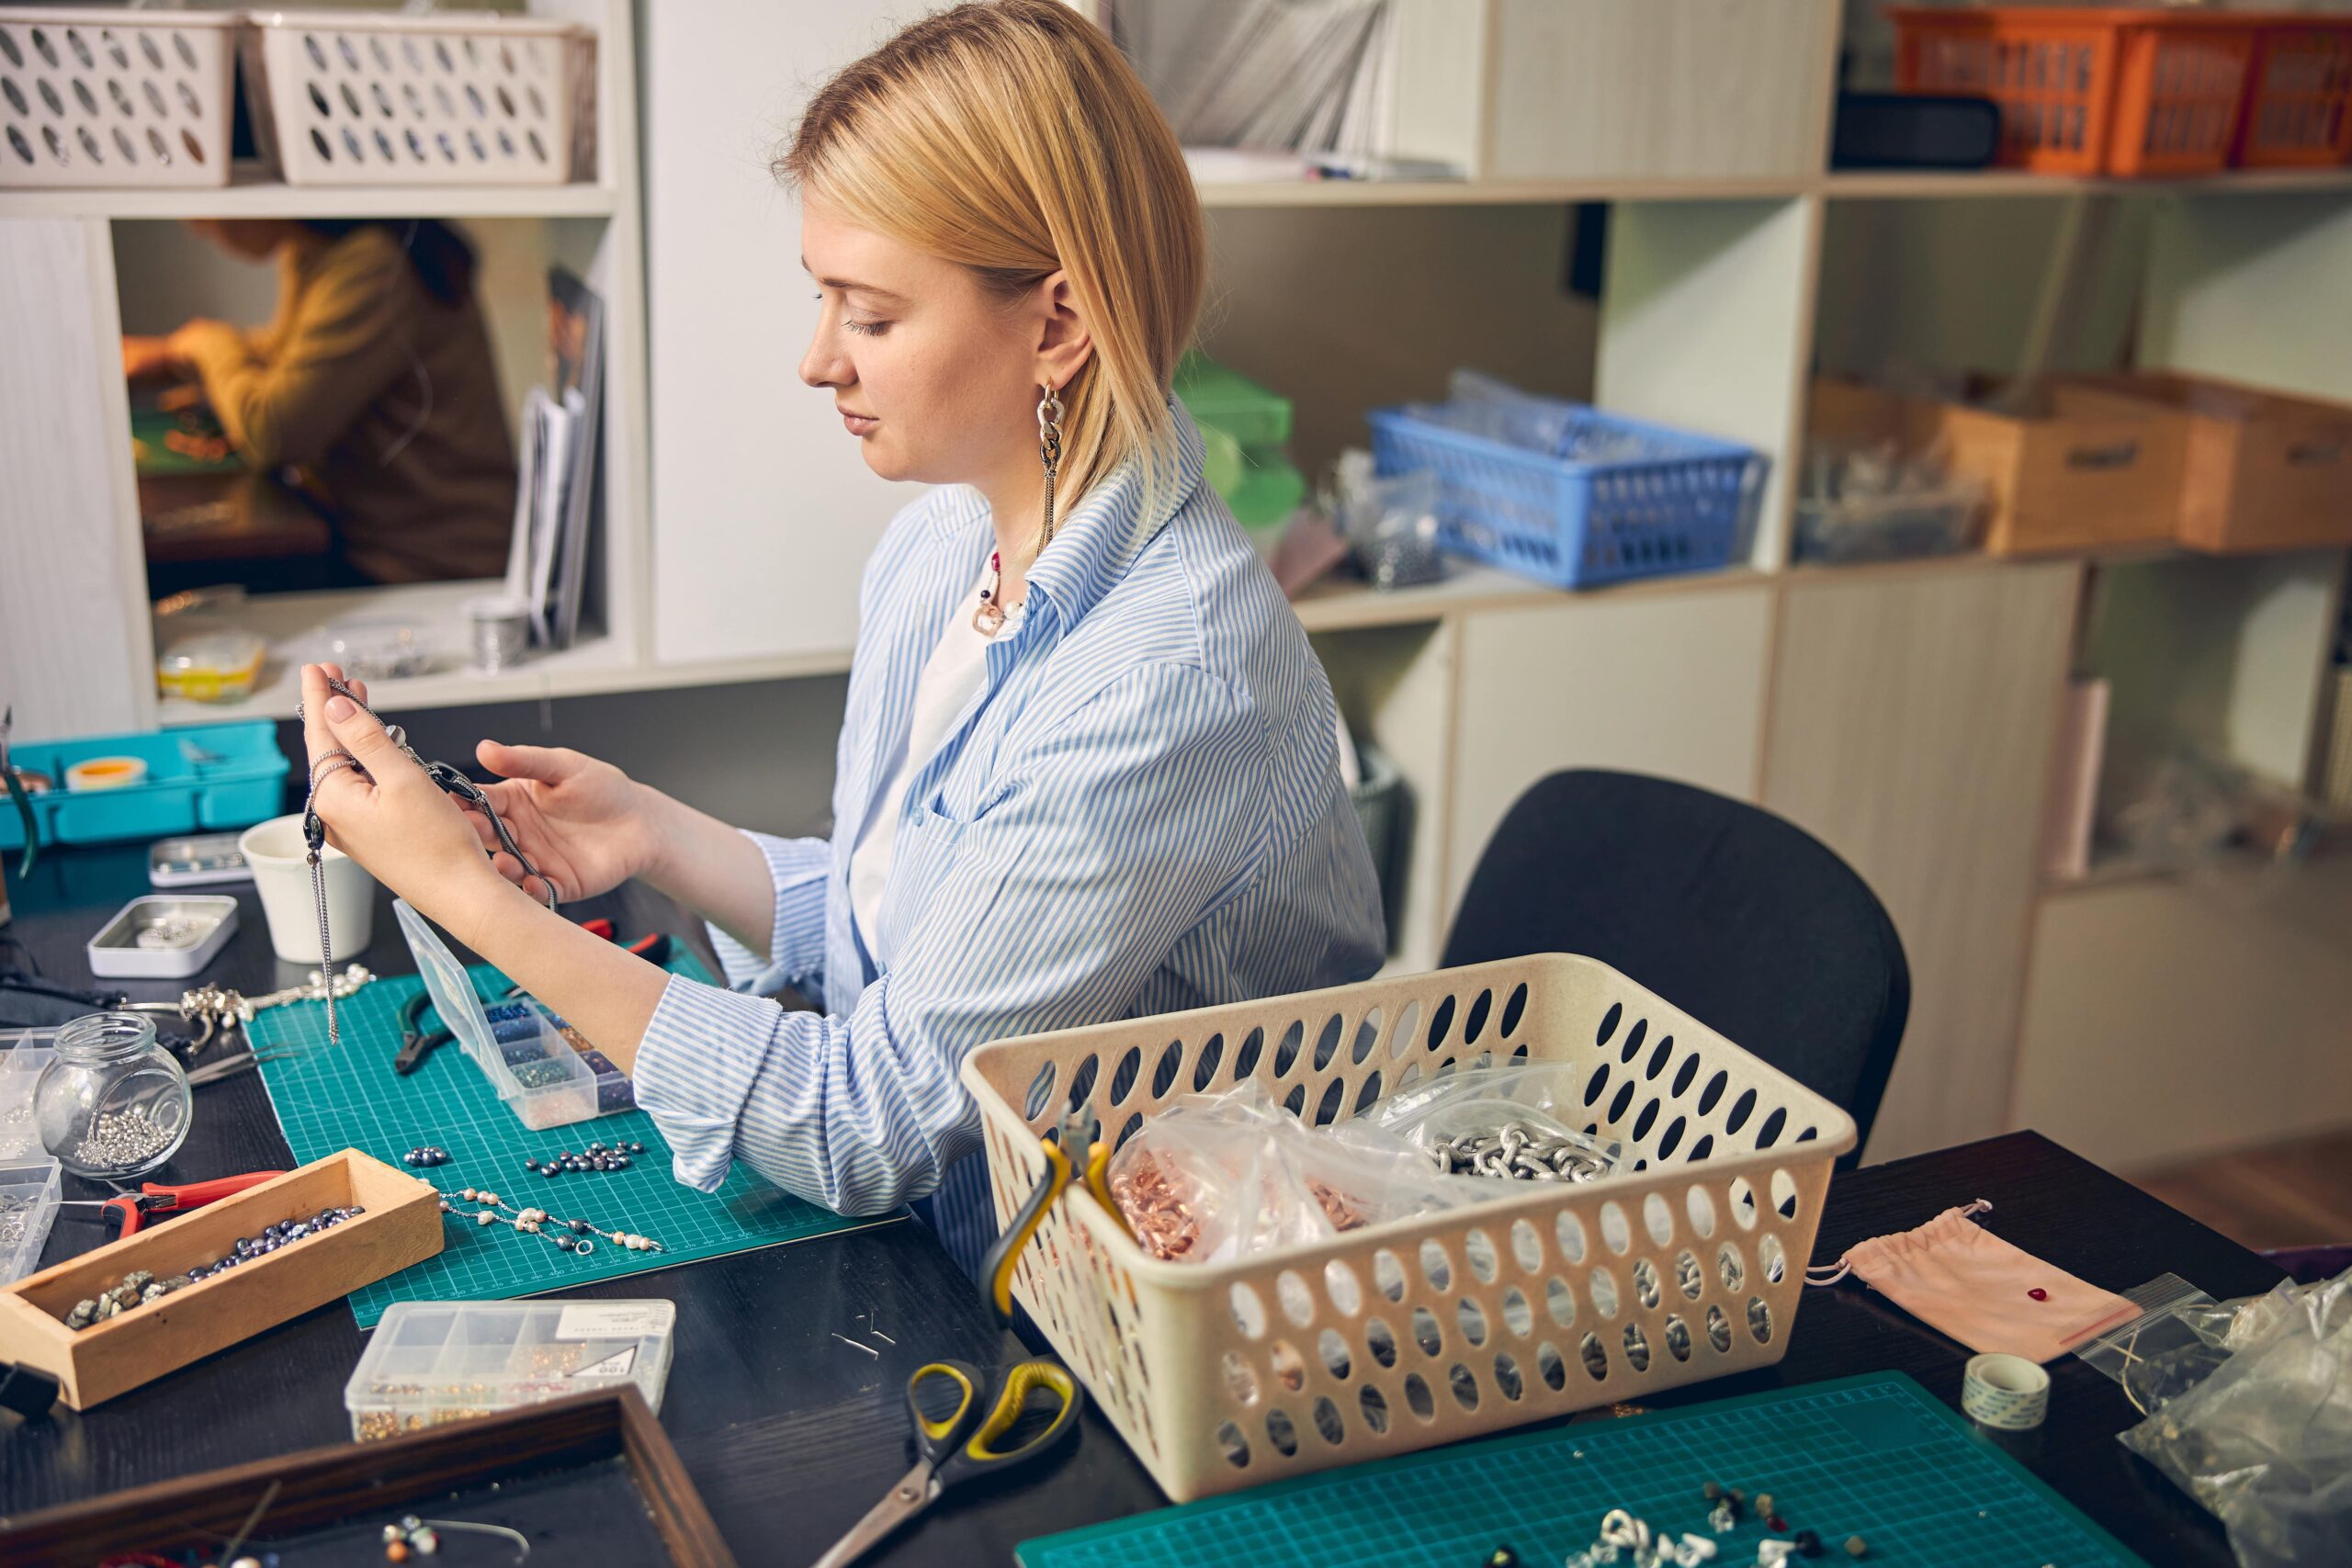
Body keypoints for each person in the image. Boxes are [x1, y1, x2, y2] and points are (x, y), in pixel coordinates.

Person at [296, 0, 1385, 1276]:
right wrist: (653, 832)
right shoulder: (938, 551)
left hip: (1143, 1318)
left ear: (1056, 324)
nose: (820, 360)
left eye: (869, 315)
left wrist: (465, 896)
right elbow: (917, 929)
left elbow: (865, 1118)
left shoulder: (1170, 683)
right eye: (824, 302)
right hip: (949, 1244)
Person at [125, 218, 514, 584]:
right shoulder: (312, 251)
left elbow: (273, 431)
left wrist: (202, 342)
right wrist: (172, 353)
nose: (197, 225)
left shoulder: (372, 262)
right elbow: (291, 358)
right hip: (379, 546)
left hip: (436, 566)